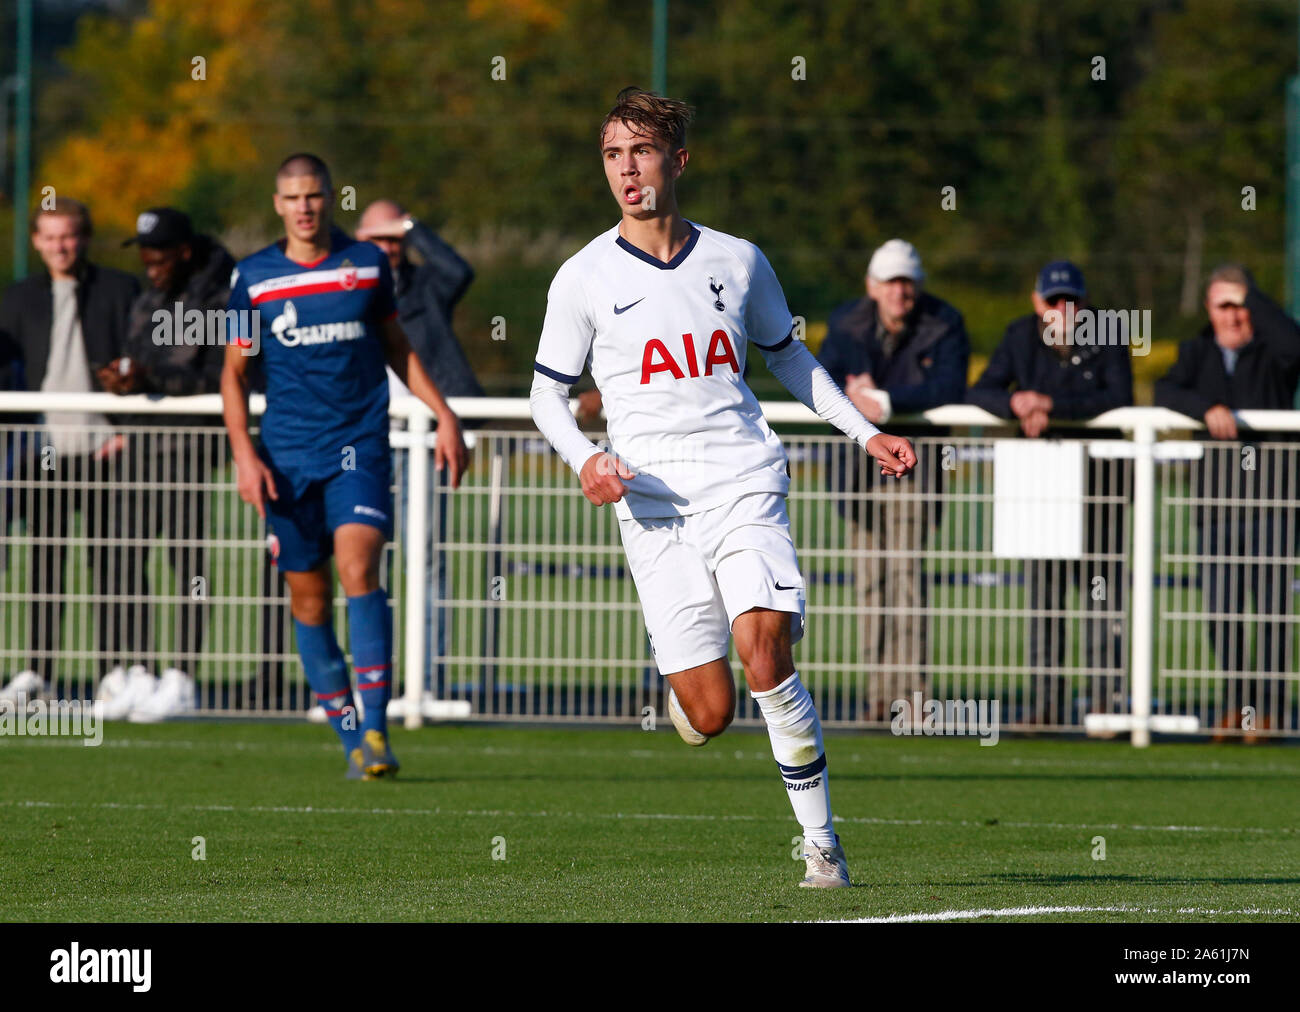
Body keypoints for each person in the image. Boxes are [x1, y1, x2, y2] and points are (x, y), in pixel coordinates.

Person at [529, 87, 916, 887]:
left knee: (763, 649)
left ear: (678, 159)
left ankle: (822, 848)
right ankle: (699, 685)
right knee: (709, 713)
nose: (625, 170)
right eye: (611, 154)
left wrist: (865, 431)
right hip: (651, 507)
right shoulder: (583, 276)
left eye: (640, 151)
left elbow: (790, 358)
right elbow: (545, 395)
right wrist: (586, 460)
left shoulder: (738, 259)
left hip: (744, 479)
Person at [221, 153, 468, 779]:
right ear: (277, 205)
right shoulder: (253, 277)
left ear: (331, 199)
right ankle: (350, 736)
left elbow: (397, 347)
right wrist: (245, 457)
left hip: (358, 448)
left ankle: (379, 731)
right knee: (309, 601)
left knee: (360, 566)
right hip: (285, 459)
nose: (304, 206)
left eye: (314, 195)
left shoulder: (364, 265)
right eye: (292, 197)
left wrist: (444, 415)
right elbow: (233, 373)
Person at [967, 261, 1134, 724]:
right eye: (1055, 300)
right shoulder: (1019, 335)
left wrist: (1052, 405)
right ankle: (1045, 707)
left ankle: (1106, 707)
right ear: (1038, 302)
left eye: (1072, 299)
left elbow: (1119, 401)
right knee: (1044, 598)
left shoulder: (1109, 333)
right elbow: (981, 392)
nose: (1065, 308)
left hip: (1102, 488)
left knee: (1103, 598)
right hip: (1042, 487)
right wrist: (1017, 403)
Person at [816, 239, 968, 720]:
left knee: (906, 578)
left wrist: (883, 400)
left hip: (913, 464)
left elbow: (949, 385)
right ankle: (879, 695)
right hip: (857, 466)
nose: (899, 291)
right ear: (872, 286)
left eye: (907, 281)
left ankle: (914, 697)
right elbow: (819, 380)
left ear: (917, 285)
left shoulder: (945, 322)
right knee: (870, 581)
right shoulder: (844, 324)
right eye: (890, 281)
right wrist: (853, 397)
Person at [93, 208, 235, 720]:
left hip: (189, 448)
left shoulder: (223, 295)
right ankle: (137, 669)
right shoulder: (149, 297)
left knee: (186, 564)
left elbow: (222, 376)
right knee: (123, 558)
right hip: (141, 445)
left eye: (159, 259)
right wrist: (119, 380)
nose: (150, 268)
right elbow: (136, 355)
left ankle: (183, 677)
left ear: (185, 252)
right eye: (146, 260)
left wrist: (148, 379)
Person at [0, 197, 139, 696]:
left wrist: (124, 427)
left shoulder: (121, 291)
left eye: (69, 235)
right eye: (50, 236)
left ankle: (115, 672)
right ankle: (38, 671)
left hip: (105, 448)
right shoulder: (17, 300)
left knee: (113, 563)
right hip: (42, 451)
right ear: (37, 241)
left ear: (85, 238)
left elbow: (138, 359)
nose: (61, 245)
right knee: (44, 562)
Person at [1154, 265, 1300, 737]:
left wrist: (1255, 298)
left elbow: (1295, 346)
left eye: (1241, 304)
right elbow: (1165, 389)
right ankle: (1236, 707)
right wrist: (1207, 409)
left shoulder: (1273, 352)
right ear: (1208, 310)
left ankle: (1271, 712)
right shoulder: (1196, 351)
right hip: (1216, 506)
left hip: (1273, 503)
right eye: (1225, 304)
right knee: (1222, 614)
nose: (1234, 315)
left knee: (1274, 614)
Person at [356, 200, 480, 705]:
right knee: (361, 559)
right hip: (362, 441)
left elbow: (459, 269)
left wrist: (411, 225)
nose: (388, 247)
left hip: (425, 439)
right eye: (377, 237)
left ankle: (425, 682)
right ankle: (369, 681)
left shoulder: (427, 287)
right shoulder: (344, 286)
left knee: (426, 559)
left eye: (394, 238)